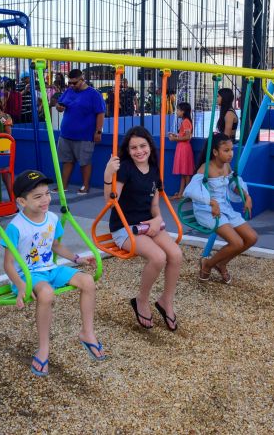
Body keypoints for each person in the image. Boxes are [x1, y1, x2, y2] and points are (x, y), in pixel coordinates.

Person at [2, 170, 105, 374]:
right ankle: (43, 348)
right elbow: (8, 264)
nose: (45, 200)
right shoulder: (15, 227)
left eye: (47, 194)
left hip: (51, 269)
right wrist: (21, 285)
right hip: (28, 275)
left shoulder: (51, 218)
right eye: (37, 197)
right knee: (47, 293)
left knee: (87, 281)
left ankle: (87, 332)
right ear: (22, 201)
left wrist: (77, 259)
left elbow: (55, 246)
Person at [103, 126, 183, 331]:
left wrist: (157, 220)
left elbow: (155, 206)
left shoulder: (155, 171)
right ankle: (141, 299)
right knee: (158, 257)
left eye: (142, 146)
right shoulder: (126, 169)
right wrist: (107, 175)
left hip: (147, 223)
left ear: (150, 146)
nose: (139, 151)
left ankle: (166, 300)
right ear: (127, 151)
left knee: (175, 254)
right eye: (133, 148)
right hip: (125, 226)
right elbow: (110, 201)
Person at [184, 132, 257, 285]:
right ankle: (208, 264)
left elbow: (232, 184)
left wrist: (246, 196)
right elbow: (190, 190)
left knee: (251, 238)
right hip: (208, 210)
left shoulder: (226, 166)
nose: (231, 154)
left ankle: (220, 263)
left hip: (225, 208)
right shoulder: (206, 168)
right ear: (215, 152)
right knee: (236, 242)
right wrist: (212, 202)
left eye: (231, 149)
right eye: (226, 150)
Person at [56, 69, 105, 195]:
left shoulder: (94, 94)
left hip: (84, 135)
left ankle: (85, 186)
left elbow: (100, 113)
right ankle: (63, 186)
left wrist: (98, 131)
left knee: (85, 162)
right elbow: (60, 105)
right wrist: (59, 107)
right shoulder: (68, 91)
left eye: (75, 83)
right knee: (67, 161)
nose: (72, 85)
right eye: (70, 83)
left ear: (82, 79)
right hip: (66, 134)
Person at [169, 102, 194, 199]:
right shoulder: (185, 121)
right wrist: (176, 135)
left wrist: (174, 138)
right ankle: (181, 194)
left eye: (178, 110)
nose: (177, 112)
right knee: (184, 173)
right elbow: (184, 135)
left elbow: (188, 137)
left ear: (183, 111)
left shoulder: (186, 121)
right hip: (182, 148)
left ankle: (187, 195)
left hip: (184, 149)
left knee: (186, 173)